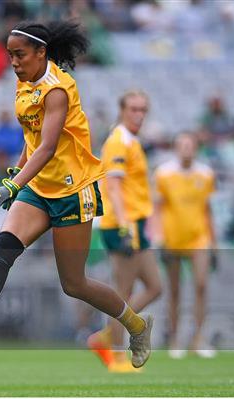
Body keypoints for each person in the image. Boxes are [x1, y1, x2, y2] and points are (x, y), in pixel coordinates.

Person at [0, 21, 154, 370]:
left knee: (74, 284)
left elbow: (46, 148)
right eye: (10, 55)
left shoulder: (57, 89)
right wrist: (17, 174)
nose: (13, 62)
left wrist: (12, 186)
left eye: (20, 55)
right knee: (1, 253)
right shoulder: (25, 82)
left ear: (41, 53)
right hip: (40, 188)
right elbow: (32, 141)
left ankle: (136, 325)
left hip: (74, 192)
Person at [88, 90, 162, 372]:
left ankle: (108, 334)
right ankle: (115, 351)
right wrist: (123, 226)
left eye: (143, 109)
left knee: (155, 286)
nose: (139, 114)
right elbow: (115, 188)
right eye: (133, 109)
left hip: (135, 222)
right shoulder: (119, 141)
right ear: (122, 110)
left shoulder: (130, 140)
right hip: (122, 223)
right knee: (123, 290)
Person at [154, 134, 216, 359]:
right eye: (182, 145)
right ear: (176, 148)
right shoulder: (164, 173)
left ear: (196, 148)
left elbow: (208, 210)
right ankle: (175, 340)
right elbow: (158, 208)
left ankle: (198, 339)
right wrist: (158, 236)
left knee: (201, 285)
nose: (186, 149)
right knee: (174, 291)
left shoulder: (206, 174)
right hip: (172, 239)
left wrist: (214, 242)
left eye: (190, 145)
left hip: (199, 238)